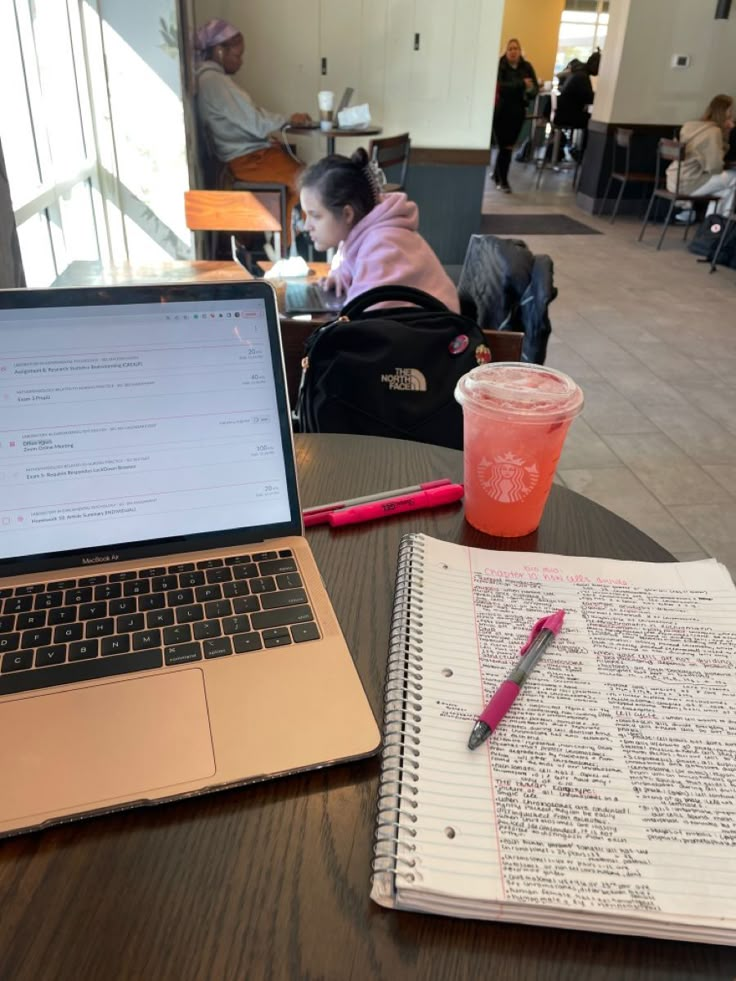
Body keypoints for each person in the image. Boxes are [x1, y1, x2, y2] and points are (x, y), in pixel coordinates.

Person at [194, 18, 311, 244]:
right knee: (307, 181)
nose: (241, 62)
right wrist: (289, 120)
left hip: (250, 153)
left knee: (306, 175)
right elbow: (255, 122)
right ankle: (295, 247)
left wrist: (266, 138)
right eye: (237, 55)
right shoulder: (214, 82)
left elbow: (242, 122)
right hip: (249, 160)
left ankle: (291, 241)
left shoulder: (210, 80)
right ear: (219, 51)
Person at [299, 149, 460, 312]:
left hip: (438, 332)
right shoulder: (362, 232)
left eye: (315, 216)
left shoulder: (384, 245)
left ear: (347, 214)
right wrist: (341, 275)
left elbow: (365, 321)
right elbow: (348, 260)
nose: (307, 226)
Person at [668, 94, 736, 222]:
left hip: (674, 179)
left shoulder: (689, 125)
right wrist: (726, 135)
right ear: (725, 113)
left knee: (725, 192)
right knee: (734, 177)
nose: (733, 116)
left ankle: (712, 226)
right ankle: (717, 227)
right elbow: (715, 168)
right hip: (689, 184)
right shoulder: (713, 132)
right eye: (731, 112)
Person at [492, 38, 538, 193]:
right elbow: (501, 87)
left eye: (516, 48)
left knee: (508, 147)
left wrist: (529, 89)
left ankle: (498, 175)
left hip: (518, 112)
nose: (513, 51)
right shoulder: (500, 66)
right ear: (506, 51)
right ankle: (502, 180)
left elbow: (534, 89)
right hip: (501, 112)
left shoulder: (527, 67)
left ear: (520, 51)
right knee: (504, 146)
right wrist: (522, 85)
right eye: (510, 48)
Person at [553, 50, 599, 160]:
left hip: (561, 113)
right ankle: (584, 155)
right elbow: (589, 97)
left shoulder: (577, 72)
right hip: (567, 116)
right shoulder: (582, 76)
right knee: (593, 123)